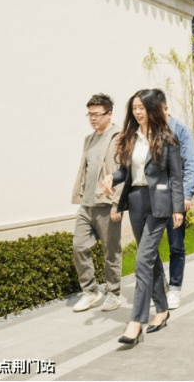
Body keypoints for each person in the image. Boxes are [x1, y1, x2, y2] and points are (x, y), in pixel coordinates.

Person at [101, 89, 185, 346]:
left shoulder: (167, 138)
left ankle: (136, 322)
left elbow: (176, 177)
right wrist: (111, 177)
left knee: (142, 261)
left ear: (152, 109)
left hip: (159, 204)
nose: (137, 112)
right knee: (151, 259)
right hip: (136, 201)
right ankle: (162, 309)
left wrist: (178, 209)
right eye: (134, 108)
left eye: (142, 108)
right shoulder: (130, 136)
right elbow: (126, 171)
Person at [70, 93, 124, 313]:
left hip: (107, 204)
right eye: (90, 114)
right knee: (79, 246)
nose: (93, 118)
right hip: (87, 204)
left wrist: (117, 204)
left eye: (97, 114)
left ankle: (113, 293)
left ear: (109, 114)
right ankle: (91, 291)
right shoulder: (89, 139)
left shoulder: (119, 138)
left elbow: (123, 172)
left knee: (111, 252)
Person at [153, 89, 194, 310]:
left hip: (175, 197)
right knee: (149, 246)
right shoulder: (149, 132)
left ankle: (174, 289)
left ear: (165, 108)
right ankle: (160, 283)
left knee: (176, 246)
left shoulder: (181, 130)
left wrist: (186, 196)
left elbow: (190, 165)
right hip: (153, 197)